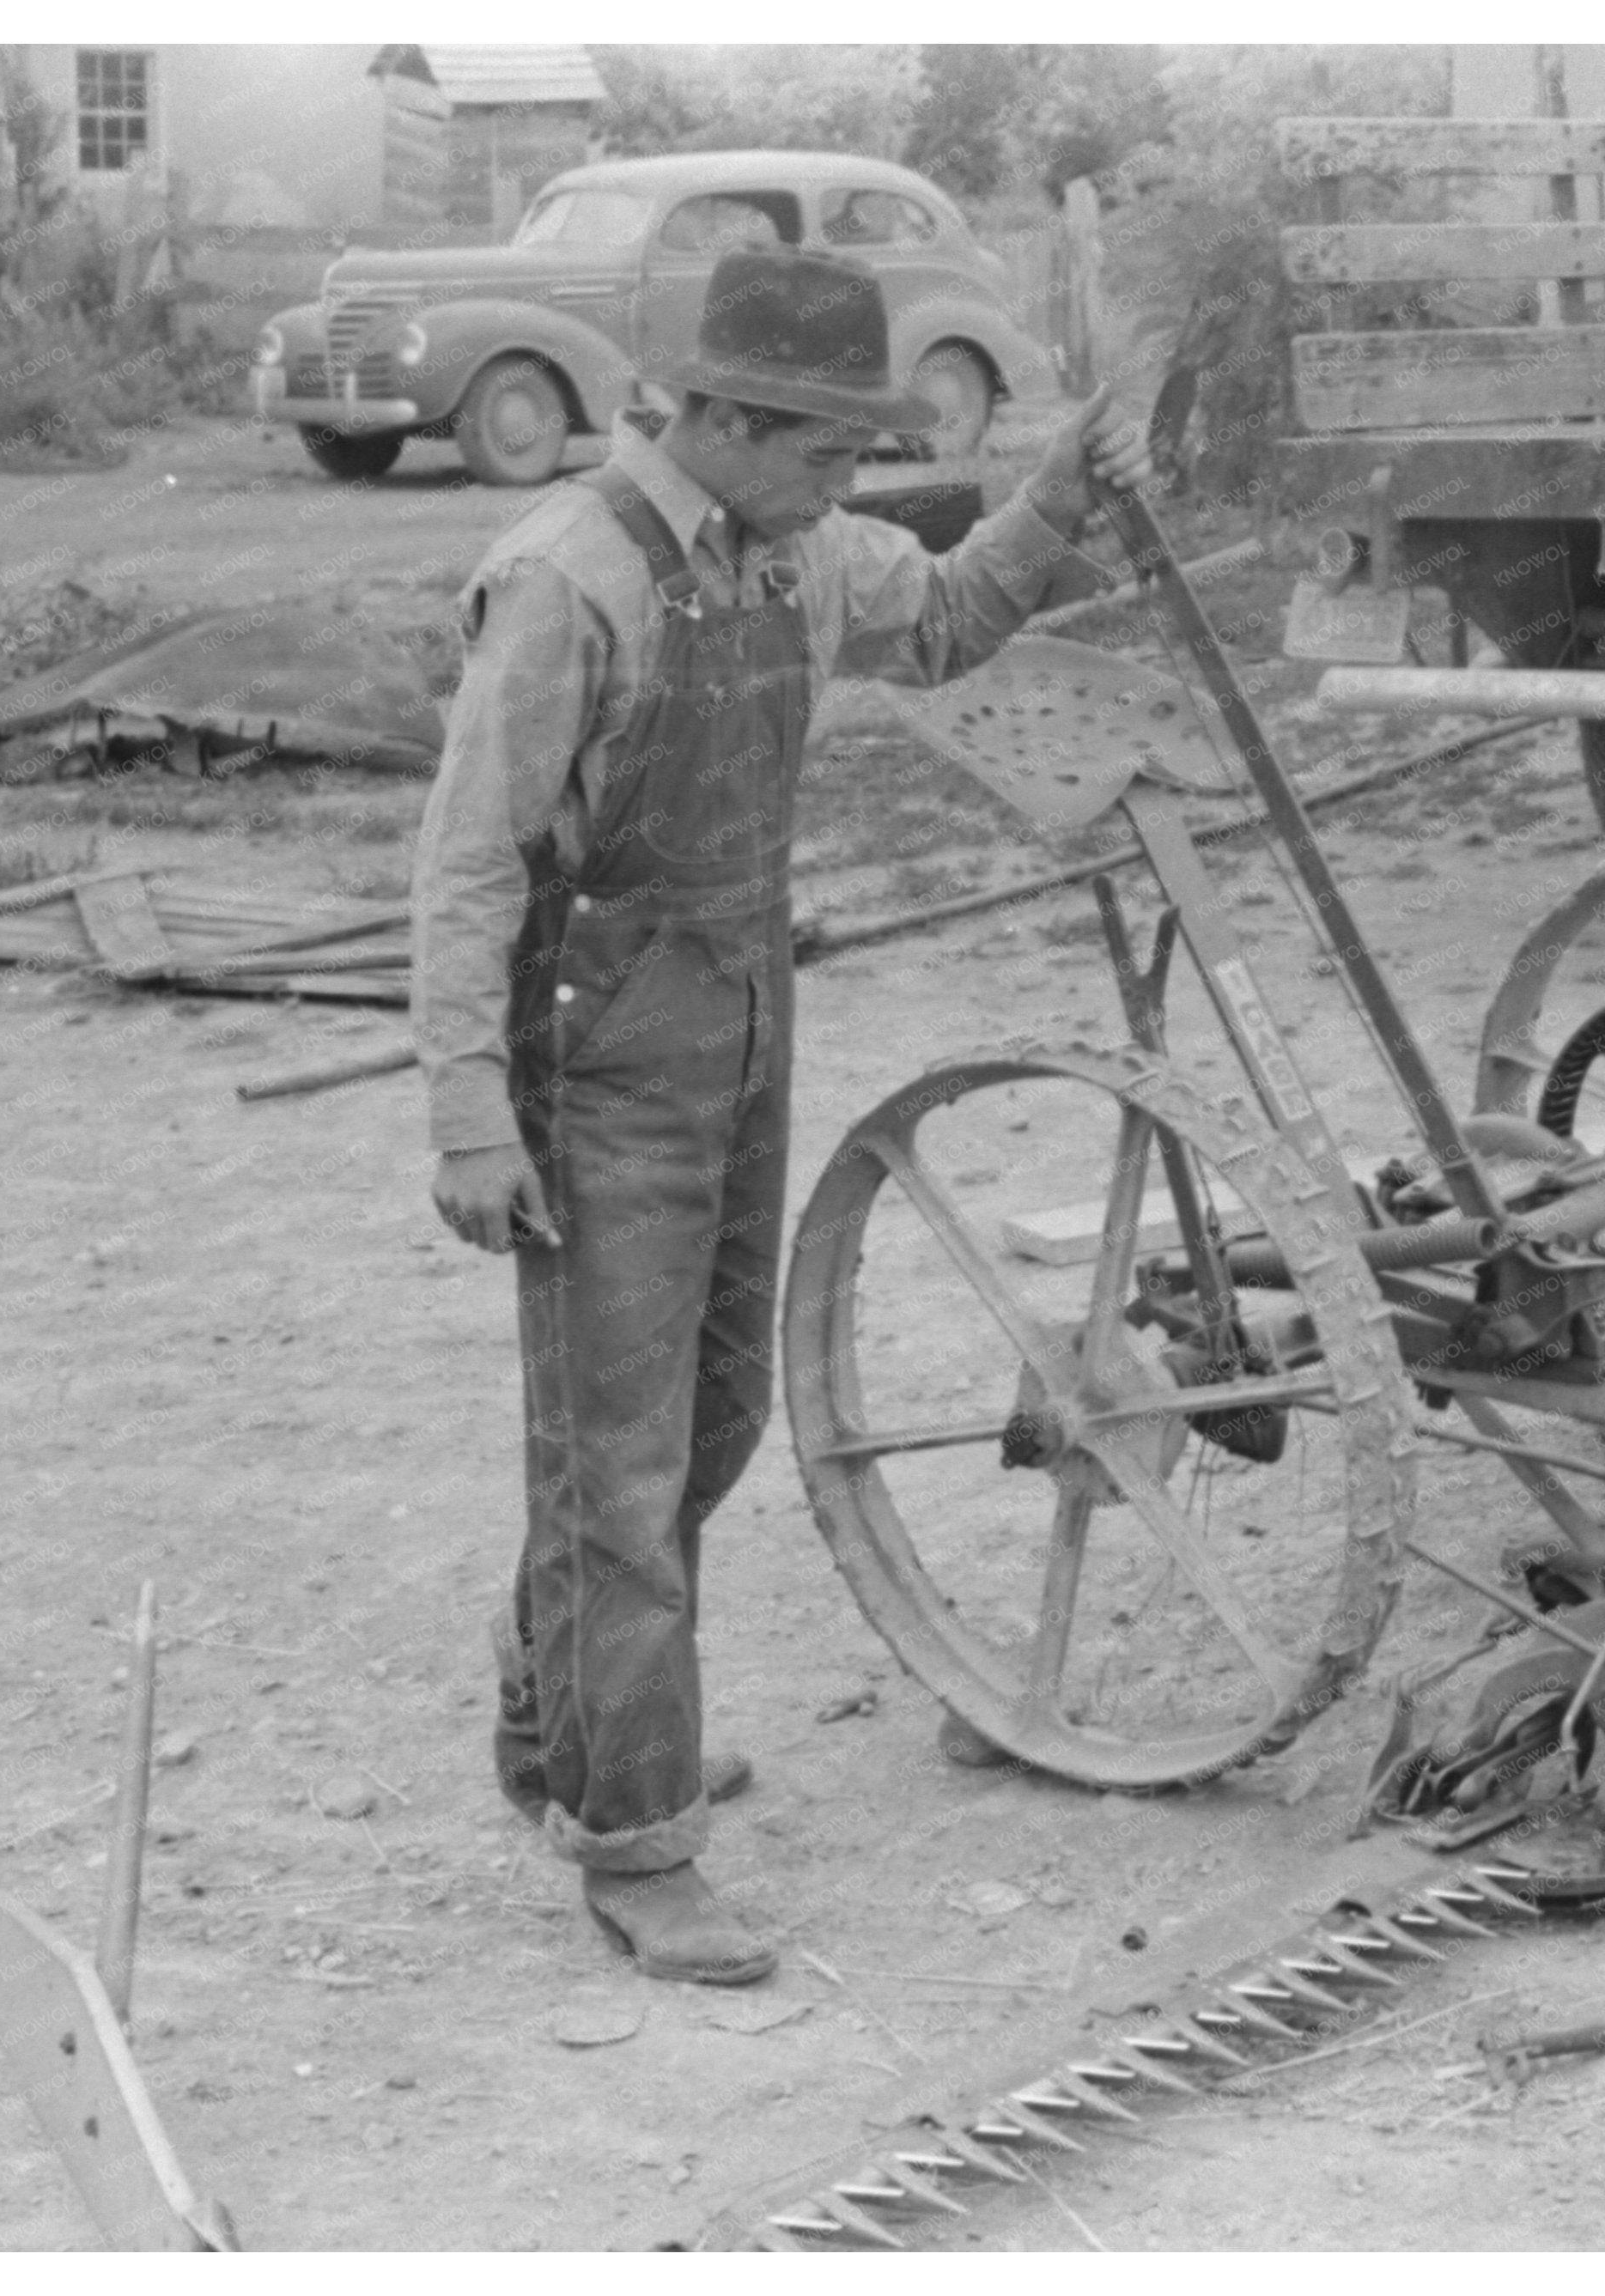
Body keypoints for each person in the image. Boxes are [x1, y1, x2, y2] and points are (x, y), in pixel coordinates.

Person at [410, 244, 1153, 1985]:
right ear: (726, 420)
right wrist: (463, 1110)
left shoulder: (800, 551)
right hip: (594, 1068)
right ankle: (634, 1830)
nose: (852, 479)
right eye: (829, 445)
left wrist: (1052, 496)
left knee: (719, 1409)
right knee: (621, 1456)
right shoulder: (565, 577)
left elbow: (956, 616)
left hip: (744, 1032)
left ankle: (573, 1703)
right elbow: (466, 865)